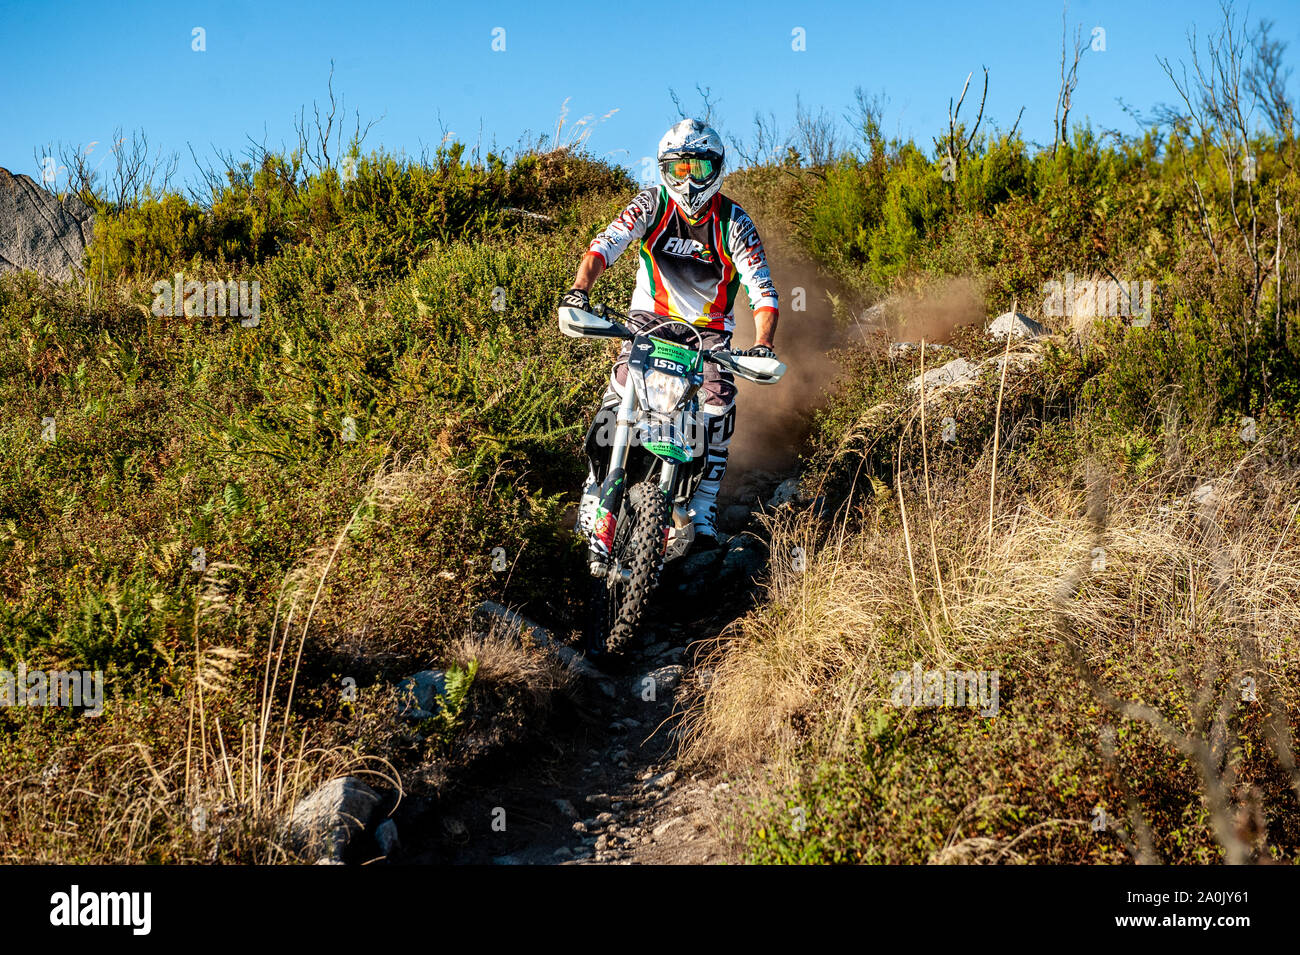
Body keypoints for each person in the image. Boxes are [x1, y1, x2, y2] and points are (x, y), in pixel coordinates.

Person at [560, 118, 780, 549]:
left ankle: (703, 505)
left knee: (719, 406)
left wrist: (762, 345)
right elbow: (606, 244)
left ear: (715, 168)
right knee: (623, 383)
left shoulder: (735, 222)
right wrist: (578, 292)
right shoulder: (651, 204)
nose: (688, 179)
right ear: (664, 170)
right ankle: (595, 485)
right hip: (649, 317)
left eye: (697, 168)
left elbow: (762, 289)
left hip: (710, 331)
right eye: (678, 169)